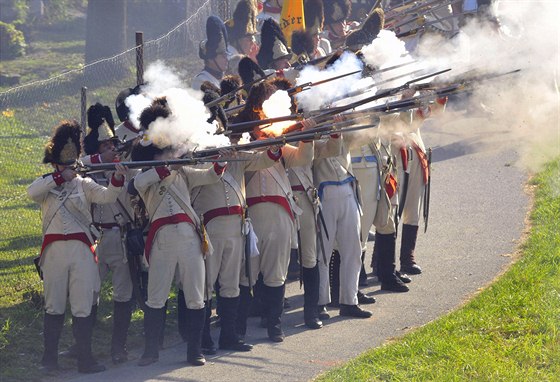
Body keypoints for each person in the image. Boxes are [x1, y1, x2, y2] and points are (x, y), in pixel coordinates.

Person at [129, 98, 226, 367]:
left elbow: (209, 176)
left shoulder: (184, 173)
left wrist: (218, 163)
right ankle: (151, 352)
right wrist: (165, 167)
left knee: (196, 295)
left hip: (189, 237)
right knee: (156, 296)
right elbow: (138, 184)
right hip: (161, 240)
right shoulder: (145, 175)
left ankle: (195, 350)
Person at [28, 120, 126, 374]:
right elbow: (32, 192)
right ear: (55, 163)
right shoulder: (47, 183)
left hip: (82, 250)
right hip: (54, 251)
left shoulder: (84, 184)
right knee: (54, 304)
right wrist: (59, 177)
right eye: (64, 164)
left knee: (83, 304)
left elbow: (107, 196)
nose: (69, 168)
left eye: (71, 164)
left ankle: (85, 359)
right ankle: (49, 360)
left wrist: (116, 177)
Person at [191, 143, 283, 352]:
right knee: (206, 285)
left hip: (236, 227)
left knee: (231, 284)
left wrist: (275, 148)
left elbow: (264, 160)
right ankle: (203, 338)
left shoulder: (238, 157)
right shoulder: (195, 160)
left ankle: (229, 336)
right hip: (209, 229)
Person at [192, 16, 229, 91]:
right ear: (211, 59)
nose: (226, 58)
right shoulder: (201, 81)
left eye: (226, 54)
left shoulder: (224, 79)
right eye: (222, 55)